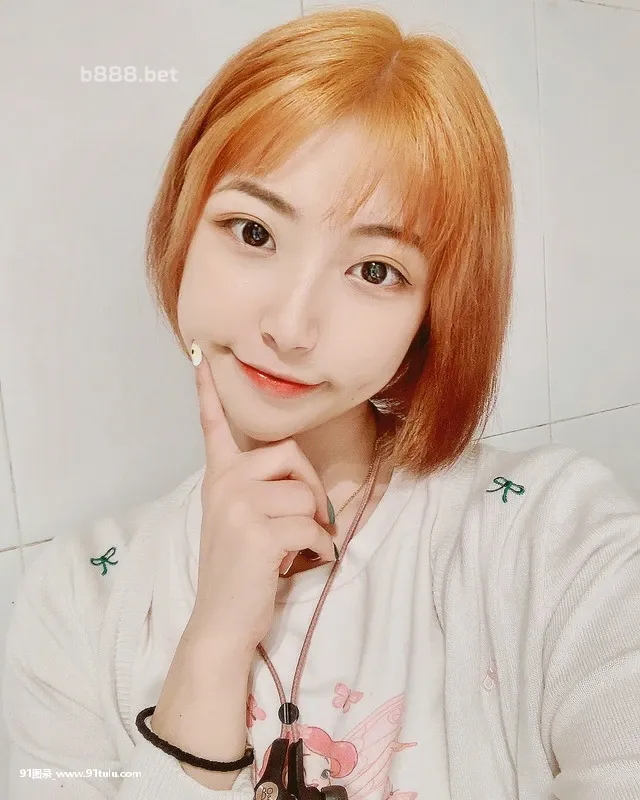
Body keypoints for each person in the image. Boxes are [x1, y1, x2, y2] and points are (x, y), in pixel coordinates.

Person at [3, 6, 639, 799]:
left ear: (434, 314)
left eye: (375, 271)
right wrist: (211, 647)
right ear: (183, 225)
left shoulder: (555, 541)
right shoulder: (80, 600)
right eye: (254, 232)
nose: (291, 327)